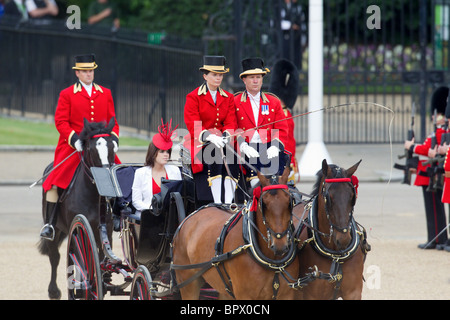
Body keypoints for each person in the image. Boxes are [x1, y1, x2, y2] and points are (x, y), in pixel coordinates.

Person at [40, 54, 120, 240]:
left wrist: (114, 139)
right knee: (54, 181)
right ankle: (50, 224)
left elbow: (113, 121)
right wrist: (74, 139)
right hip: (73, 146)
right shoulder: (67, 94)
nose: (88, 74)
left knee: (118, 176)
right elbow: (60, 121)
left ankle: (117, 215)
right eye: (84, 71)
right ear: (77, 73)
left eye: (90, 71)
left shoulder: (105, 93)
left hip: (100, 147)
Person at [183, 55, 239, 204]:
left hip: (222, 140)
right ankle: (216, 201)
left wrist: (226, 136)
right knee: (214, 151)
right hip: (200, 142)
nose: (218, 78)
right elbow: (192, 122)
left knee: (232, 152)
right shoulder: (193, 97)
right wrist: (209, 136)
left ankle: (228, 201)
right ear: (205, 76)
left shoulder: (228, 97)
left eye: (220, 75)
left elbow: (230, 121)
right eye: (214, 75)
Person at [404, 86, 448, 249]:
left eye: (440, 114)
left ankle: (439, 238)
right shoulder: (436, 132)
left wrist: (412, 146)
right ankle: (435, 237)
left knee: (436, 208)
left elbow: (429, 150)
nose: (435, 117)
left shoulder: (441, 132)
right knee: (432, 209)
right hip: (429, 173)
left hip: (437, 174)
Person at [234, 57, 289, 187]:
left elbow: (281, 128)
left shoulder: (273, 101)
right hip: (247, 151)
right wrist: (243, 145)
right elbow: (232, 127)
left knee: (280, 182)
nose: (255, 81)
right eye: (251, 77)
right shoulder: (235, 101)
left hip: (270, 148)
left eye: (258, 77)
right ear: (244, 79)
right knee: (257, 183)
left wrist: (275, 145)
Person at [132, 120, 182, 215]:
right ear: (153, 153)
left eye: (168, 152)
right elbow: (136, 201)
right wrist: (152, 210)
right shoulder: (140, 173)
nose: (166, 155)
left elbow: (179, 198)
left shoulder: (175, 171)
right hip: (148, 215)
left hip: (170, 216)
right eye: (162, 152)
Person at [268, 58, 300, 183]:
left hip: (286, 156)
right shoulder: (277, 112)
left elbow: (289, 140)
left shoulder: (287, 114)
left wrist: (290, 161)